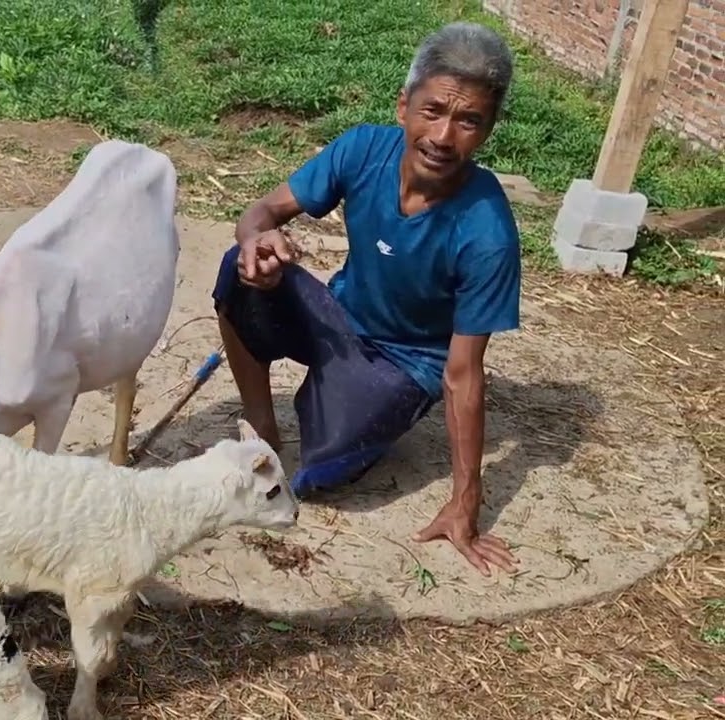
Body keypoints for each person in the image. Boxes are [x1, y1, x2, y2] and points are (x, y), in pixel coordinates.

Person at [211, 21, 523, 576]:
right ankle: (263, 423)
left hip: (404, 362)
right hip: (338, 317)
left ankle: (349, 409)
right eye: (433, 110)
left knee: (318, 479)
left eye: (468, 120)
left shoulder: (487, 230)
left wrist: (466, 499)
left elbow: (463, 372)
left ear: (489, 130)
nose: (444, 137)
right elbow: (261, 213)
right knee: (239, 270)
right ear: (404, 105)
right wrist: (257, 241)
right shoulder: (362, 149)